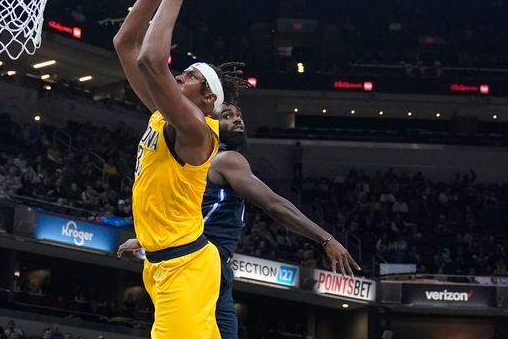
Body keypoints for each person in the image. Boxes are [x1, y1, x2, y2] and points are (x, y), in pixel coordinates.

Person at [119, 103, 360, 339]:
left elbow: (185, 211)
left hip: (191, 263)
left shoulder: (191, 163)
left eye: (239, 115)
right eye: (227, 115)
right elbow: (274, 204)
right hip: (202, 265)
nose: (237, 119)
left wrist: (147, 239)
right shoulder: (226, 159)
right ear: (210, 123)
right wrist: (326, 239)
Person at [113, 0, 229, 339]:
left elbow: (149, 60)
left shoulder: (196, 130)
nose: (181, 75)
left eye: (192, 76)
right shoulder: (165, 114)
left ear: (208, 99)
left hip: (185, 269)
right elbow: (125, 44)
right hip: (163, 263)